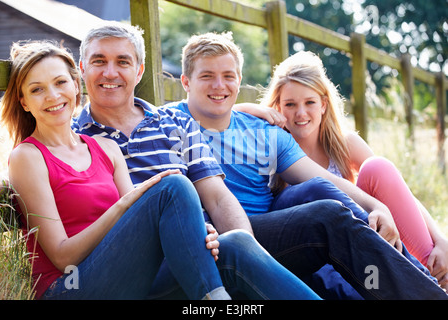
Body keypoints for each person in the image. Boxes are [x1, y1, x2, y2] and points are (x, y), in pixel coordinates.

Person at [0, 40, 321, 300]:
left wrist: (194, 232)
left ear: (75, 85)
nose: (53, 96)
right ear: (24, 102)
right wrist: (123, 205)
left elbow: (145, 225)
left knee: (232, 244)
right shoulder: (28, 156)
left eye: (59, 83)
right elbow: (63, 258)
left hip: (127, 277)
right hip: (73, 288)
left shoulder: (104, 149)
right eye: (37, 89)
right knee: (171, 185)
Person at [166, 31, 448, 299]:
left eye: (228, 76)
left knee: (319, 193)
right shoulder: (167, 124)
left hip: (273, 233)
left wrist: (376, 206)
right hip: (214, 240)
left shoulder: (265, 132)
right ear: (186, 82)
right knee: (325, 218)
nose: (219, 85)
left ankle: (425, 287)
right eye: (207, 76)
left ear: (239, 80)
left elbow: (322, 179)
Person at [236, 50, 448, 290]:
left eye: (310, 102)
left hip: (365, 238)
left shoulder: (343, 144)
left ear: (324, 104)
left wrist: (440, 239)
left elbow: (401, 196)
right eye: (290, 104)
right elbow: (223, 115)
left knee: (378, 167)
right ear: (277, 107)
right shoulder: (273, 146)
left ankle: (435, 274)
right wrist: (251, 109)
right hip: (318, 253)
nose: (301, 113)